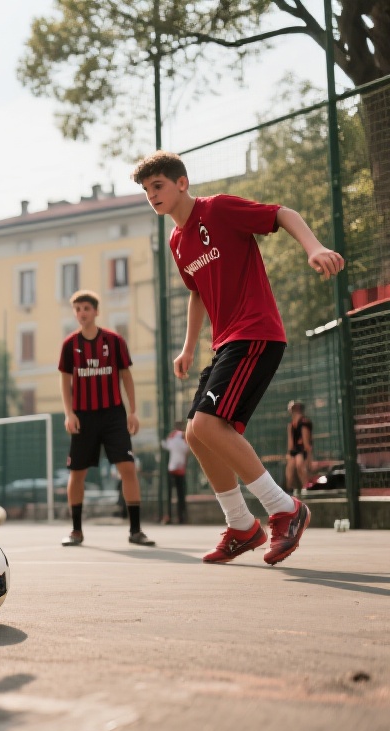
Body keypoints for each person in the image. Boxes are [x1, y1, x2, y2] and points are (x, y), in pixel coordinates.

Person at [132, 150, 344, 565]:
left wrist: (313, 247)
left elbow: (283, 213)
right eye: (145, 190)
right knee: (195, 433)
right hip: (226, 342)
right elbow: (196, 292)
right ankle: (242, 526)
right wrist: (189, 347)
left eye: (157, 186)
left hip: (257, 333)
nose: (151, 195)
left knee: (210, 425)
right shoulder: (177, 241)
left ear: (181, 183)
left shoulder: (220, 209)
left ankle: (286, 508)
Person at [58, 290, 154, 547]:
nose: (81, 313)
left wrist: (132, 411)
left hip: (113, 415)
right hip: (83, 417)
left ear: (96, 311)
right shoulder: (70, 345)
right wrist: (69, 414)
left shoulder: (114, 341)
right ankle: (76, 531)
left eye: (86, 308)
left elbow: (126, 376)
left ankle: (135, 530)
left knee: (127, 468)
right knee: (77, 473)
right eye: (77, 309)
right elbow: (65, 382)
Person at [161, 420, 190, 524]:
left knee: (168, 495)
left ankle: (168, 516)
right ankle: (181, 517)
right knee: (181, 495)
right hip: (181, 469)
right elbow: (187, 450)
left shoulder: (172, 435)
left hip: (171, 468)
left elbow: (165, 445)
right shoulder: (185, 436)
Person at [285, 401, 313, 492]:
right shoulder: (291, 425)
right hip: (295, 450)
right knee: (289, 469)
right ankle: (292, 489)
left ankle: (306, 487)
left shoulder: (304, 422)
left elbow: (306, 442)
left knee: (299, 463)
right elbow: (290, 442)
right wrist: (289, 454)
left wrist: (308, 456)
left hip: (302, 450)